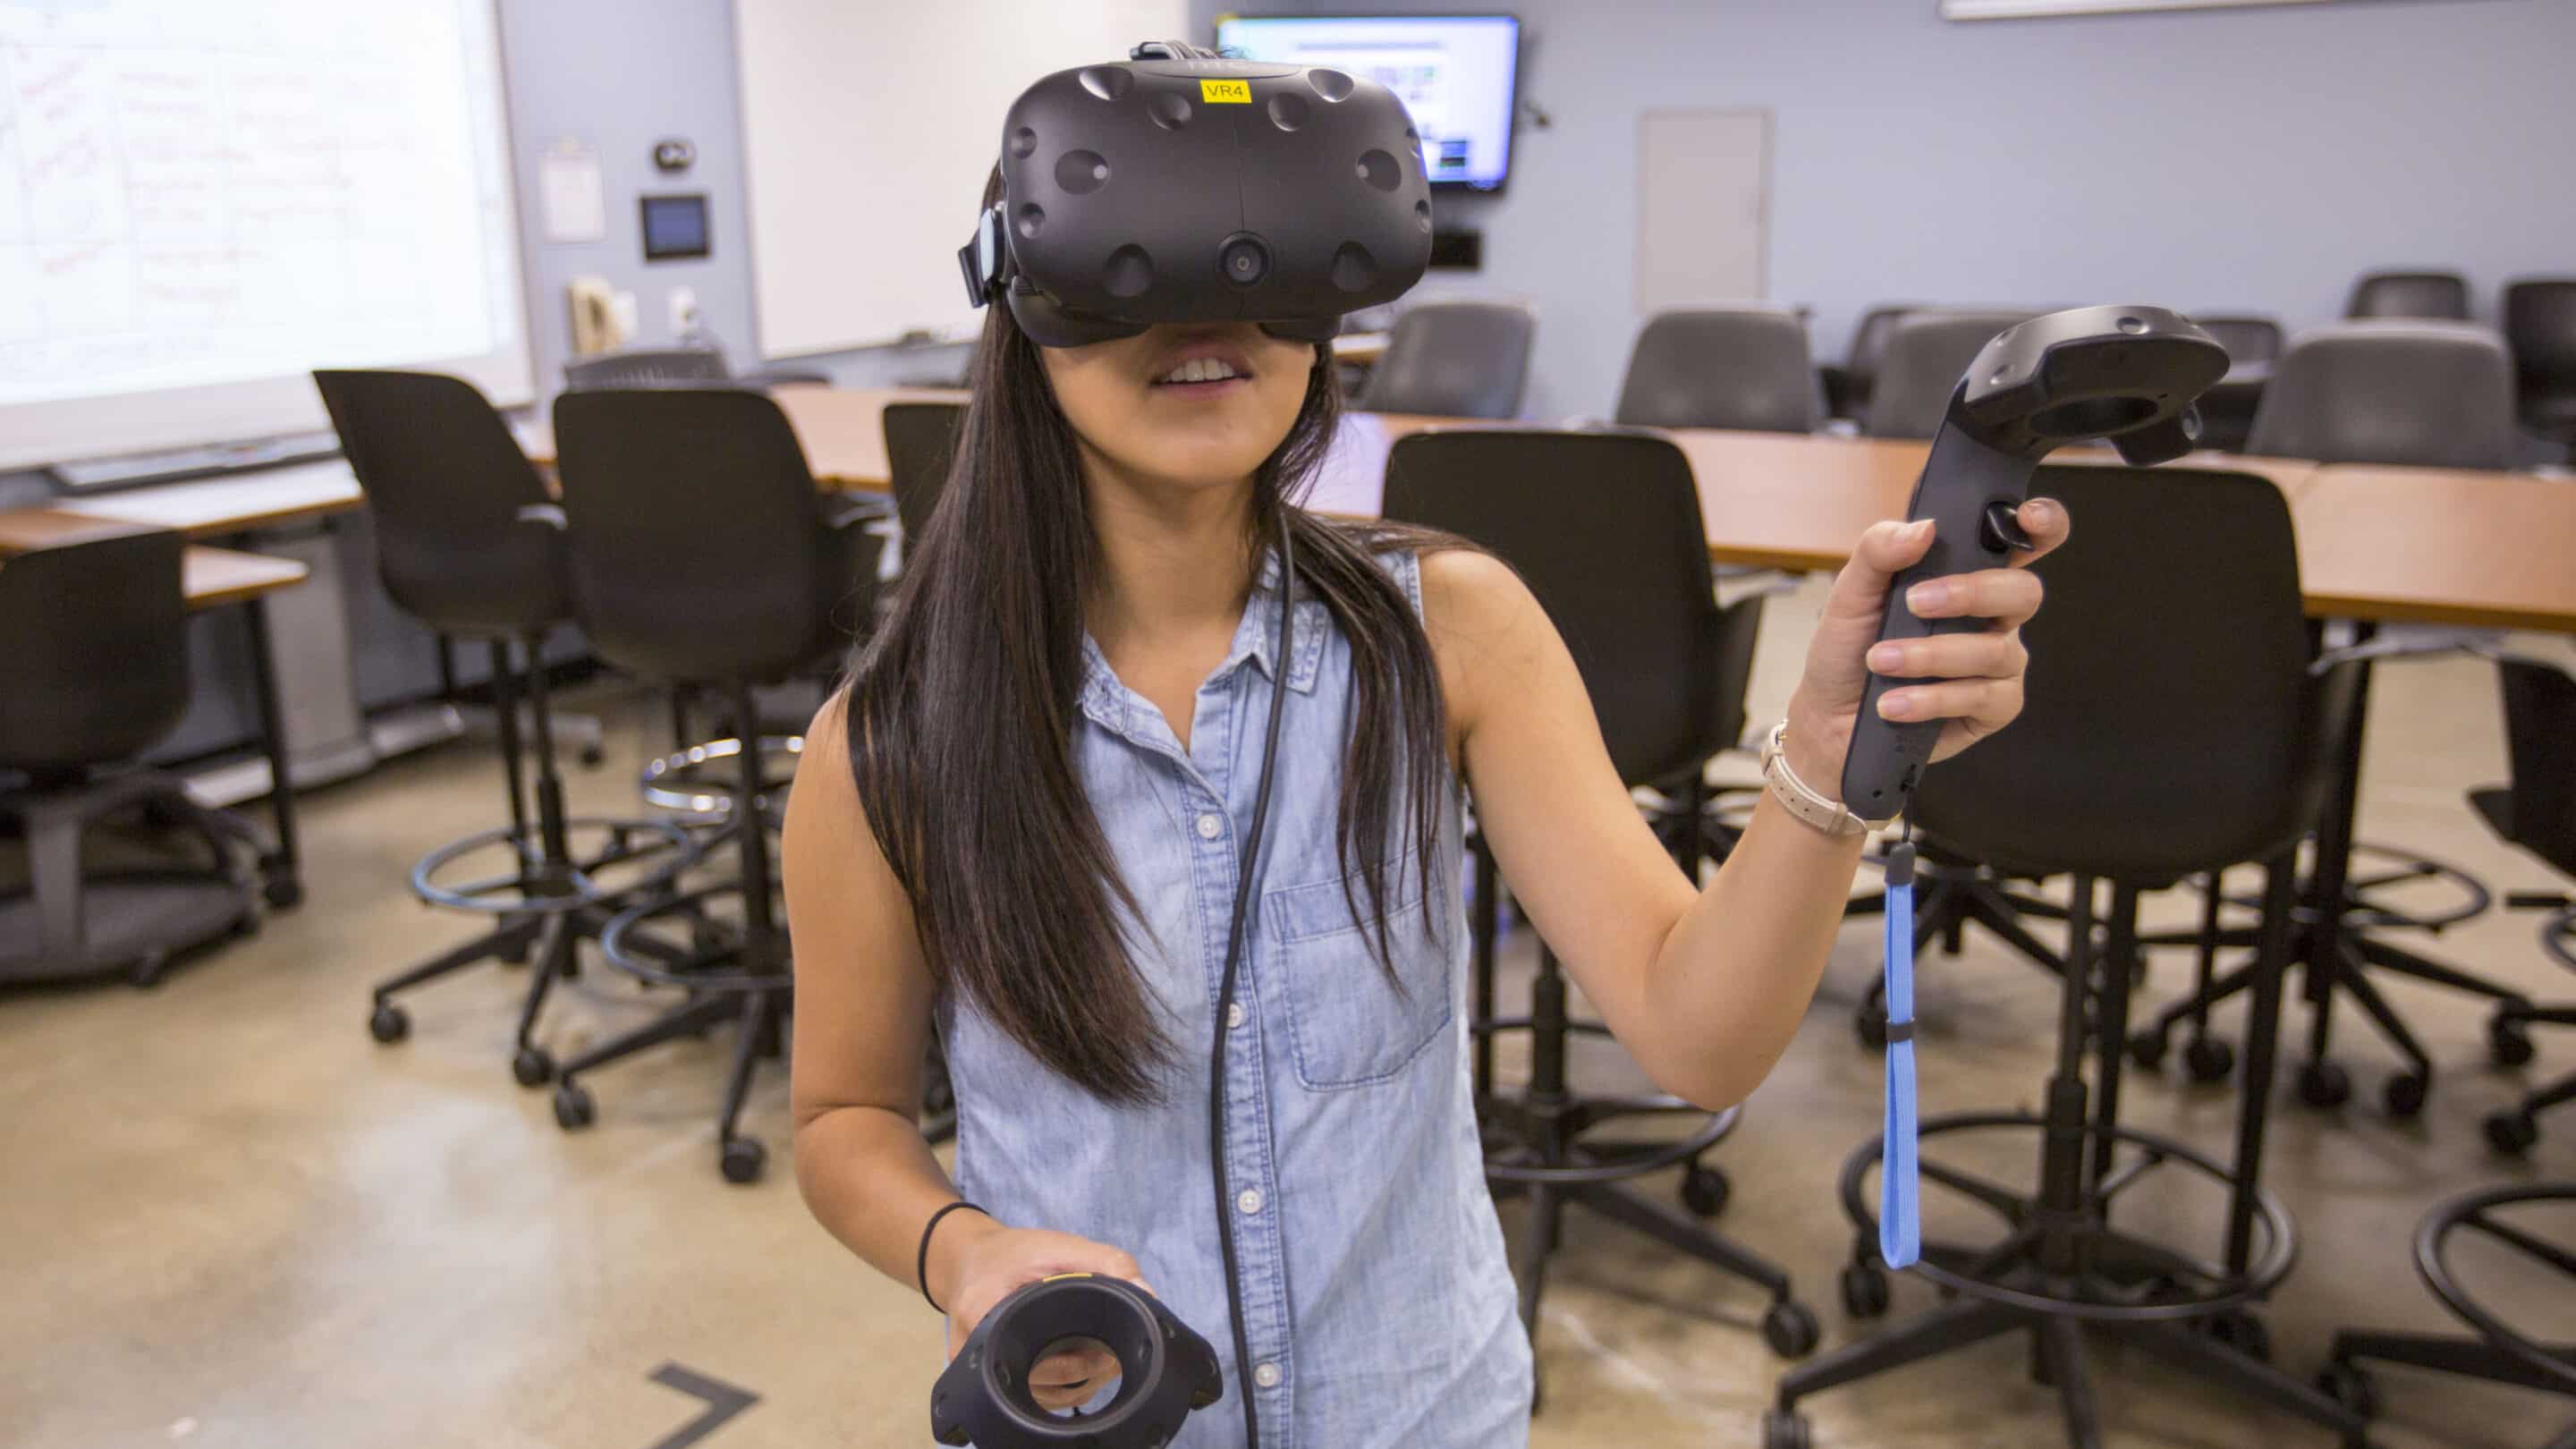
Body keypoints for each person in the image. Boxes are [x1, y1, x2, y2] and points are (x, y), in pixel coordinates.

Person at [783, 233, 2063, 1446]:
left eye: (1261, 259)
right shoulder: (895, 740)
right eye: (1134, 268)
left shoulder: (1446, 633)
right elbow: (847, 1115)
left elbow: (1701, 1035)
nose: (1208, 313)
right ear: (1026, 297)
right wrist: (965, 1250)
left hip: (1422, 1411)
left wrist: (1826, 762)